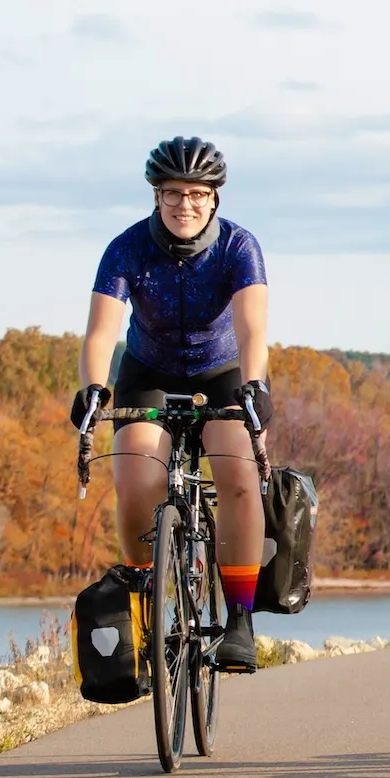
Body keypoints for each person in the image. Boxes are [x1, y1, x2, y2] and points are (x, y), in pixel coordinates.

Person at [70, 136, 272, 673]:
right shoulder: (126, 248)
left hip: (223, 372)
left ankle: (240, 622)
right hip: (148, 371)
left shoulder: (238, 247)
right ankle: (146, 609)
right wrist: (94, 388)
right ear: (156, 197)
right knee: (136, 477)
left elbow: (252, 327)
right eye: (173, 193)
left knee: (237, 474)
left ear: (215, 200)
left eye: (197, 194)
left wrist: (254, 385)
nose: (185, 204)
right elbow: (99, 334)